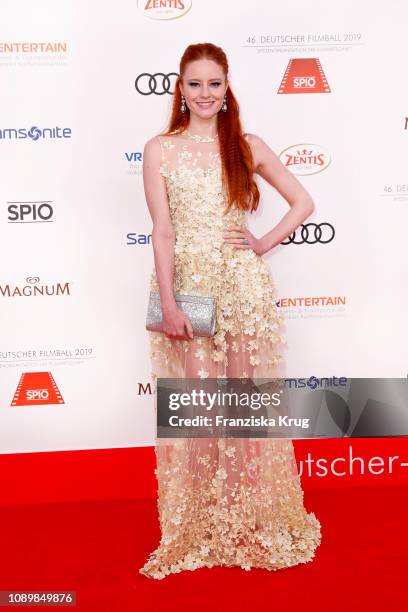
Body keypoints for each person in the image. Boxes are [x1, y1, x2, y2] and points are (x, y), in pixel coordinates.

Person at [139, 42, 322, 579]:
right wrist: (169, 302)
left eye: (214, 83)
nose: (204, 93)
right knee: (201, 412)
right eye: (194, 83)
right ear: (180, 88)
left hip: (243, 289)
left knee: (243, 413)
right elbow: (163, 230)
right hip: (190, 292)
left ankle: (246, 519)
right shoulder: (160, 149)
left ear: (227, 87)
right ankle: (200, 526)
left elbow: (304, 202)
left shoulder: (246, 145)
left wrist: (261, 243)